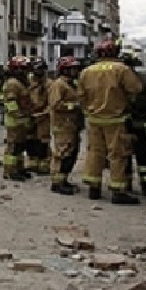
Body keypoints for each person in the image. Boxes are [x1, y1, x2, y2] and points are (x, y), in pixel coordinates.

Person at [76, 40, 143, 204]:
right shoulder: (121, 69)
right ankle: (118, 191)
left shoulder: (86, 71)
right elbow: (136, 89)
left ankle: (94, 188)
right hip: (116, 119)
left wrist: (89, 109)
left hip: (94, 119)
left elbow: (80, 95)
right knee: (117, 154)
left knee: (95, 153)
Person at [47, 56, 83, 195]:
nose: (75, 71)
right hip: (63, 125)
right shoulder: (59, 85)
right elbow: (55, 104)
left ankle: (63, 179)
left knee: (71, 154)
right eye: (72, 69)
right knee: (62, 153)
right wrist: (73, 106)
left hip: (72, 125)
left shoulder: (71, 84)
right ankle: (57, 183)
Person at [124, 57, 146, 197]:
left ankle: (126, 185)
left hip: (125, 123)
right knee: (143, 156)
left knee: (125, 155)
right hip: (141, 124)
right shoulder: (144, 79)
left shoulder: (120, 80)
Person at [0, 56, 33, 181]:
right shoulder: (13, 83)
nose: (26, 72)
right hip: (15, 121)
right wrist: (18, 115)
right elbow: (10, 102)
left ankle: (19, 168)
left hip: (22, 120)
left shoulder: (22, 82)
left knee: (20, 146)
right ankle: (10, 170)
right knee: (13, 147)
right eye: (23, 69)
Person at [26, 59, 52, 174]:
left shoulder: (49, 84)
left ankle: (44, 164)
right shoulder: (28, 83)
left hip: (44, 116)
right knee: (30, 139)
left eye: (41, 69)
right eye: (37, 69)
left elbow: (52, 102)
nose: (39, 71)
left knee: (43, 141)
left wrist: (44, 113)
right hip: (30, 115)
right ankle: (33, 162)